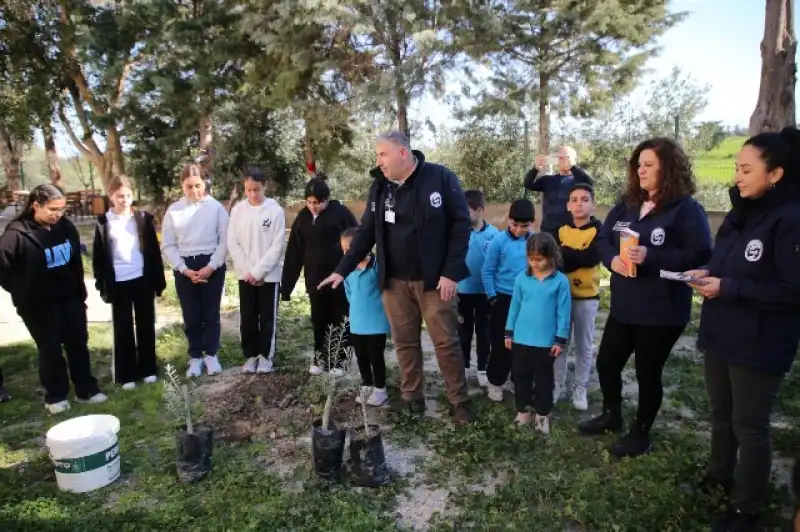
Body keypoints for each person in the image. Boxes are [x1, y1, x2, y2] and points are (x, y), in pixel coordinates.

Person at [317, 131, 473, 426]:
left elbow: (461, 225)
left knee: (446, 343)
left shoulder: (440, 178)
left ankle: (459, 401)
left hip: (435, 281)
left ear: (403, 153)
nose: (379, 161)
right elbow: (365, 233)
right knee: (404, 342)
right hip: (395, 283)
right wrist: (342, 269)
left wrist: (451, 272)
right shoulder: (380, 187)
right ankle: (412, 397)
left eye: (383, 154)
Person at [686, 128, 800, 531]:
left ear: (776, 174)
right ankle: (719, 475)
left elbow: (792, 290)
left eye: (747, 170)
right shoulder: (741, 211)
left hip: (760, 341)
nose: (737, 176)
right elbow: (725, 261)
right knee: (721, 413)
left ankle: (746, 508)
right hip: (722, 331)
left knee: (750, 425)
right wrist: (707, 273)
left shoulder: (791, 220)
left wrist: (728, 287)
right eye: (737, 167)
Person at [577, 137, 713, 459]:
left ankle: (641, 433)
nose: (641, 171)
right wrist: (612, 260)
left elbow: (700, 254)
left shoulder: (686, 209)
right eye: (639, 165)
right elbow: (603, 240)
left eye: (649, 165)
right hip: (624, 305)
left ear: (669, 168)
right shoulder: (627, 203)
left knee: (647, 373)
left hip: (662, 309)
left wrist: (651, 255)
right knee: (607, 363)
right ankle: (612, 414)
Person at [0, 184, 106, 413]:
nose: (57, 214)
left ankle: (86, 390)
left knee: (78, 344)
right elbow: (3, 269)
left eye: (61, 209)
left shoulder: (65, 227)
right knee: (50, 349)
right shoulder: (16, 234)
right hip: (38, 306)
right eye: (52, 209)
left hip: (70, 298)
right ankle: (56, 396)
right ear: (36, 205)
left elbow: (75, 261)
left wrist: (80, 292)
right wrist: (22, 290)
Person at [93, 175, 166, 390]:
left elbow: (153, 253)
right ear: (110, 196)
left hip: (142, 279)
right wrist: (102, 284)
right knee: (123, 328)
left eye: (127, 195)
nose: (124, 200)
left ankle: (148, 369)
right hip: (119, 282)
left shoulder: (142, 219)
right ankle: (126, 375)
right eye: (119, 196)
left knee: (146, 325)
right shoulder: (103, 222)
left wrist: (157, 281)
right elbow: (98, 257)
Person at [281, 177, 357, 375]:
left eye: (317, 202)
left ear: (326, 199)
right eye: (309, 202)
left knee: (339, 317)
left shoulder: (340, 213)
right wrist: (286, 286)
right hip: (314, 279)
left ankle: (341, 360)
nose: (312, 206)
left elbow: (357, 241)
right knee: (318, 319)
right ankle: (320, 357)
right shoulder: (302, 218)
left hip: (338, 278)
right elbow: (294, 252)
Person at [161, 163, 229, 378]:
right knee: (191, 314)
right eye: (189, 186)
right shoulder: (174, 211)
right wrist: (183, 269)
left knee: (210, 314)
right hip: (185, 267)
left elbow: (225, 240)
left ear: (204, 183)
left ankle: (211, 355)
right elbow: (168, 245)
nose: (194, 191)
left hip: (211, 264)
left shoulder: (216, 208)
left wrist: (211, 266)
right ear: (182, 186)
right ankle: (196, 357)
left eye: (197, 185)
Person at [505, 233, 571, 434]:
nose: (534, 263)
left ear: (551, 256)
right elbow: (514, 307)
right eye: (531, 259)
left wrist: (560, 339)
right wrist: (509, 332)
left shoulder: (561, 282)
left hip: (545, 342)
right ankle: (523, 411)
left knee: (544, 380)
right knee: (521, 377)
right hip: (521, 339)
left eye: (539, 259)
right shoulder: (521, 278)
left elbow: (564, 313)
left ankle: (543, 414)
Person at [227, 167, 286, 374]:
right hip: (245, 275)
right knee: (248, 316)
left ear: (265, 186)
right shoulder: (238, 211)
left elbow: (277, 246)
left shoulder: (275, 211)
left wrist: (259, 272)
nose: (253, 194)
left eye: (257, 189)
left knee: (267, 317)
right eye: (249, 189)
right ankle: (251, 355)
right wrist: (249, 272)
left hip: (268, 276)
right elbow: (233, 242)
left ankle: (266, 356)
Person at [554, 183, 602, 411]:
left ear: (593, 204)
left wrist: (567, 254)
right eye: (574, 200)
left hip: (587, 298)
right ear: (568, 205)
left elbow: (591, 258)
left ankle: (580, 388)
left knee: (584, 346)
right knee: (560, 344)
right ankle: (557, 385)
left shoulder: (599, 230)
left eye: (584, 199)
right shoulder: (560, 230)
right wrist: (577, 256)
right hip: (561, 298)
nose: (579, 204)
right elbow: (556, 260)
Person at [482, 199, 535, 402]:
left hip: (527, 299)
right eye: (515, 225)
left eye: (524, 226)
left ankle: (517, 379)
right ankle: (495, 381)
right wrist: (492, 297)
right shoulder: (498, 241)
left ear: (532, 223)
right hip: (502, 299)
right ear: (509, 220)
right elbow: (487, 271)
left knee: (524, 344)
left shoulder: (535, 241)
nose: (519, 230)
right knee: (501, 343)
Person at [340, 227, 391, 406]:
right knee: (361, 356)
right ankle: (367, 384)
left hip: (377, 322)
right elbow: (348, 292)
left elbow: (386, 290)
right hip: (357, 322)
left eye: (350, 249)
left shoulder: (378, 266)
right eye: (344, 250)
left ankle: (380, 389)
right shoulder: (347, 270)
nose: (347, 254)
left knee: (376, 357)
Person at [457, 189, 499, 387]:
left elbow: (498, 264)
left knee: (484, 333)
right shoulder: (458, 232)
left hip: (485, 294)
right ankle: (464, 367)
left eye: (466, 210)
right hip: (462, 292)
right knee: (463, 332)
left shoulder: (494, 235)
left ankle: (482, 369)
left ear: (480, 210)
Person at [523, 146, 594, 237]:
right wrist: (535, 168)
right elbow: (528, 184)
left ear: (574, 160)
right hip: (548, 231)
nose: (563, 160)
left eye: (566, 157)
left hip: (572, 231)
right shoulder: (548, 180)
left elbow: (589, 183)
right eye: (560, 157)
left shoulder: (579, 181)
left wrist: (572, 167)